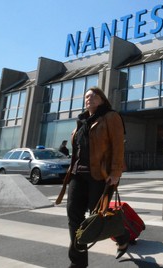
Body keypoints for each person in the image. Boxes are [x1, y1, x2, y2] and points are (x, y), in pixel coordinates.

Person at [62, 87, 130, 267]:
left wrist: (115, 173)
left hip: (99, 175)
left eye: (93, 95)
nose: (89, 98)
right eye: (86, 96)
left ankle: (123, 235)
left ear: (102, 99)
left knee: (99, 215)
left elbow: (118, 146)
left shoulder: (111, 116)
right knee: (74, 217)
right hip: (77, 174)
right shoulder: (81, 121)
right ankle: (78, 263)